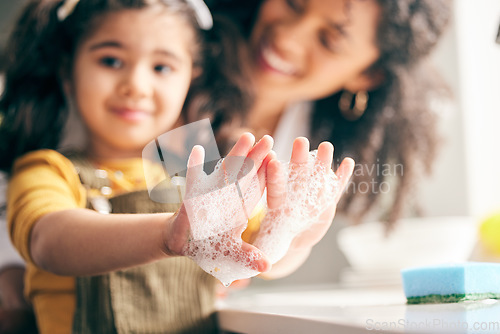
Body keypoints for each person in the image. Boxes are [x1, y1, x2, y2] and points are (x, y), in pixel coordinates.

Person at [0, 0, 353, 333]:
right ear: (67, 71)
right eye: (110, 60)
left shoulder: (200, 177)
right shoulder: (47, 170)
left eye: (162, 68)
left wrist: (291, 237)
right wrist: (168, 236)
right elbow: (49, 243)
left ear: (191, 78)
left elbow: (259, 257)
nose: (135, 86)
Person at [207, 0, 452, 226]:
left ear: (367, 76)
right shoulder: (185, 71)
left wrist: (283, 254)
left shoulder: (312, 152)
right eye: (293, 3)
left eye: (329, 41)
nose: (287, 38)